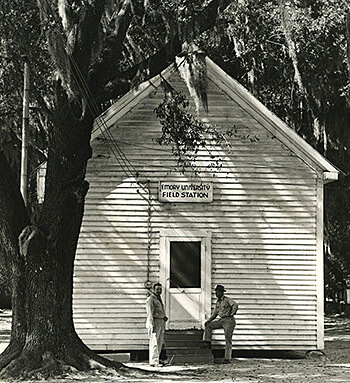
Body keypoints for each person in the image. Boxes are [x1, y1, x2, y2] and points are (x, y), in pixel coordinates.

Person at [202, 284, 238, 364]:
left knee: (228, 339)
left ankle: (227, 358)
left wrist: (232, 313)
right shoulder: (218, 302)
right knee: (209, 325)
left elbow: (235, 305)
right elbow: (215, 313)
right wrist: (209, 320)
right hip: (221, 320)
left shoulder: (227, 299)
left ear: (222, 292)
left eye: (217, 292)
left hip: (229, 321)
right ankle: (207, 341)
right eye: (215, 292)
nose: (216, 294)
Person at [145, 282, 168, 366]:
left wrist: (164, 316)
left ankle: (157, 360)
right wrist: (152, 324)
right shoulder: (151, 299)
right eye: (157, 289)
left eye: (160, 289)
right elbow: (150, 312)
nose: (159, 291)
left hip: (161, 321)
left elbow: (159, 310)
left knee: (159, 341)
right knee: (154, 342)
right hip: (154, 321)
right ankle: (153, 361)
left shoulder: (158, 299)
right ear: (153, 290)